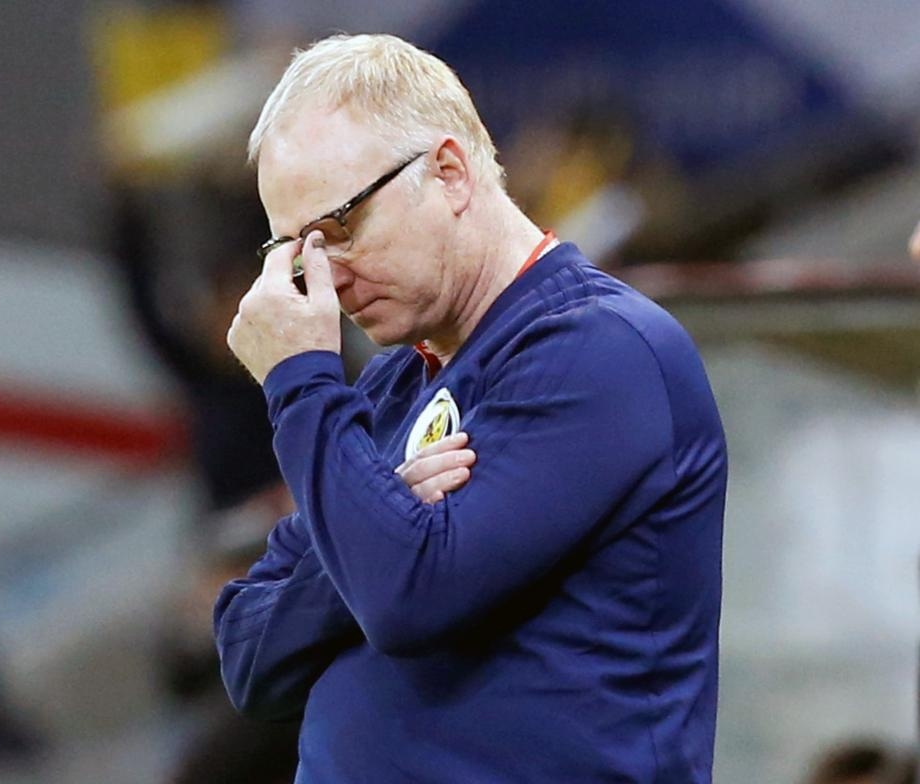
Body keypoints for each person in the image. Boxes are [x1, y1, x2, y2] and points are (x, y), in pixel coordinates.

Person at [215, 33, 727, 782]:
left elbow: (406, 597)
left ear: (449, 173)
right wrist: (383, 526)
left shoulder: (605, 351)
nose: (327, 283)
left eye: (339, 231)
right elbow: (246, 654)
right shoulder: (392, 386)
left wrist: (299, 381)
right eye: (301, 254)